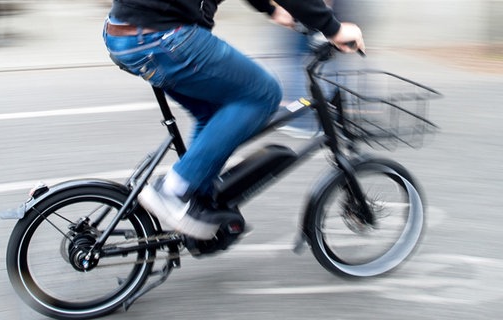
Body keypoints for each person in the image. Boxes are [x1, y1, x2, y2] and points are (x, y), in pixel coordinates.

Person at [103, 0, 365, 240]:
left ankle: (196, 201)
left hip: (126, 34)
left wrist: (271, 9)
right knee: (263, 93)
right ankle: (175, 190)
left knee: (217, 111)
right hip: (162, 36)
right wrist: (333, 28)